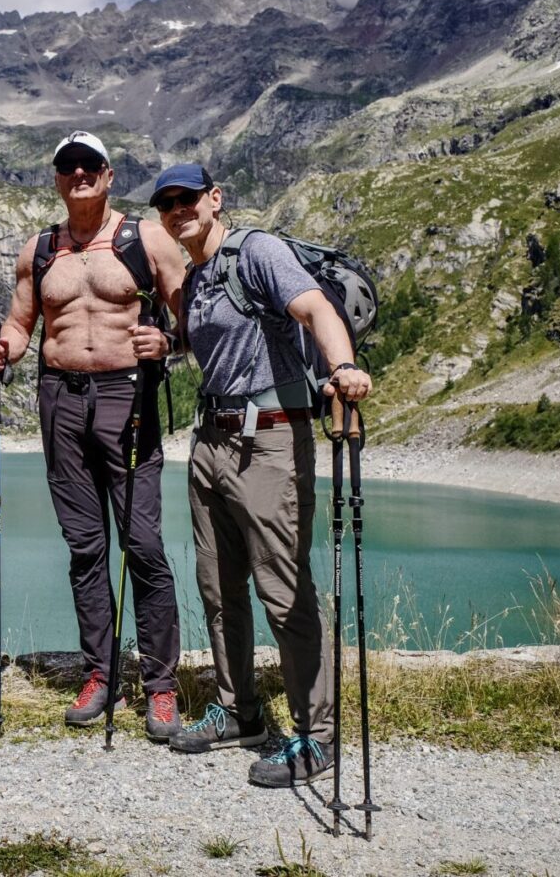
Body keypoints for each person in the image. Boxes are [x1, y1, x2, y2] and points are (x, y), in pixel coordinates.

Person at [148, 162, 371, 788]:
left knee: (283, 590)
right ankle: (241, 711)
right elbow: (213, 344)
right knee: (219, 589)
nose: (177, 209)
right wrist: (168, 347)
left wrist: (344, 365)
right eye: (166, 203)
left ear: (214, 200)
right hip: (211, 444)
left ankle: (316, 735)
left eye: (187, 197)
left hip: (269, 441)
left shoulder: (259, 253)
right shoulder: (196, 279)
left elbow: (314, 309)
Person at [0, 130, 184, 740]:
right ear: (57, 177)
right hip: (60, 400)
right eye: (67, 167)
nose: (78, 175)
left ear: (108, 173)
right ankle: (100, 673)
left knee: (142, 545)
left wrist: (169, 343)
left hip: (129, 398)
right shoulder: (40, 249)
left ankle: (161, 685)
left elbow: (189, 315)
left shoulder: (146, 239)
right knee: (85, 548)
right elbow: (21, 323)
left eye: (89, 165)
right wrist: (3, 351)